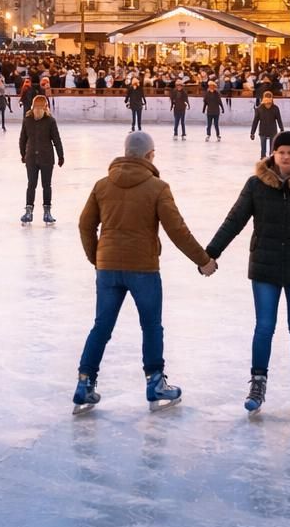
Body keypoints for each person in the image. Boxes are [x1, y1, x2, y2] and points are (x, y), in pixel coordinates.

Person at [74, 131, 216, 413]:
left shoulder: (102, 185)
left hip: (108, 268)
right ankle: (155, 383)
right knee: (151, 326)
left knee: (101, 326)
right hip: (143, 268)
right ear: (149, 155)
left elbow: (84, 225)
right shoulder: (157, 187)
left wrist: (98, 258)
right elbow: (177, 230)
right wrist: (203, 260)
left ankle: (84, 382)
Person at [205, 130, 290, 413]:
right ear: (273, 154)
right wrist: (211, 252)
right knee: (264, 327)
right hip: (264, 268)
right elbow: (234, 220)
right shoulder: (256, 185)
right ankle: (257, 382)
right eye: (282, 152)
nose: (286, 157)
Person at [18, 93, 64, 224]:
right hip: (35, 157)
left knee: (39, 185)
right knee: (38, 185)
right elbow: (23, 139)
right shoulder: (29, 120)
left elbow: (56, 139)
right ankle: (34, 212)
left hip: (43, 158)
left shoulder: (49, 121)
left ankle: (42, 212)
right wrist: (23, 154)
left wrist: (61, 155)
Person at [250, 91, 284, 158]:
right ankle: (264, 159)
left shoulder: (275, 108)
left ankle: (270, 160)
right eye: (266, 97)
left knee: (272, 149)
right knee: (263, 149)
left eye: (269, 97)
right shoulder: (259, 108)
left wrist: (281, 129)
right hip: (264, 131)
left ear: (271, 98)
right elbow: (255, 121)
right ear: (263, 98)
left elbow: (279, 119)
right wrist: (252, 132)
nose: (268, 99)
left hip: (272, 131)